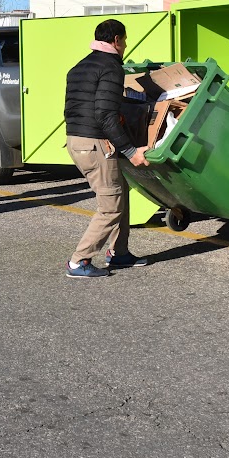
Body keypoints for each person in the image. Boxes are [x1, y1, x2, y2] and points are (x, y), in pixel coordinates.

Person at [63, 19, 151, 278]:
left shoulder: (79, 68)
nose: (125, 45)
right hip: (95, 145)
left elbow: (78, 109)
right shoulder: (111, 68)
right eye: (124, 40)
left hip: (76, 141)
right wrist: (131, 151)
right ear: (116, 40)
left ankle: (119, 252)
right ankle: (79, 261)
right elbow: (105, 116)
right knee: (111, 207)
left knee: (119, 191)